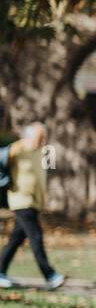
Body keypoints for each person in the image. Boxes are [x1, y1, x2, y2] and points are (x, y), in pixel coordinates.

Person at [0, 123, 64, 290]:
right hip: (21, 199)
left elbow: (49, 172)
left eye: (44, 136)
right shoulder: (17, 148)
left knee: (16, 239)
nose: (42, 139)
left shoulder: (46, 151)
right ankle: (50, 275)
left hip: (36, 201)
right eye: (39, 136)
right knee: (36, 237)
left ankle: (0, 272)